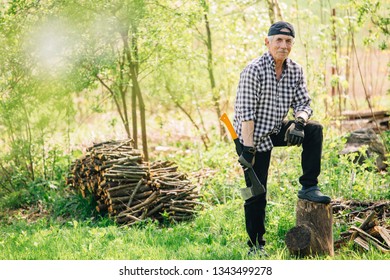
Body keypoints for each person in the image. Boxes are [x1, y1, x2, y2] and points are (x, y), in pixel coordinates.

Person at [233, 21, 331, 256]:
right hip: (252, 135)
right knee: (257, 191)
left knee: (314, 130)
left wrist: (298, 122)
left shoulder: (295, 70)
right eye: (278, 40)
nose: (283, 45)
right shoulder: (253, 70)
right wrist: (247, 150)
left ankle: (309, 186)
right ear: (267, 42)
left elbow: (304, 103)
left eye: (288, 41)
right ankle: (255, 245)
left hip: (276, 127)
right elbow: (246, 114)